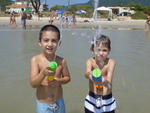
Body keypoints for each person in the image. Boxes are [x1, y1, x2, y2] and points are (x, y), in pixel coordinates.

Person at [30, 24, 71, 113]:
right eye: (46, 40)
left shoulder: (61, 61)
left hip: (59, 102)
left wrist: (59, 81)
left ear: (59, 43)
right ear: (40, 42)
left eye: (54, 41)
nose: (50, 44)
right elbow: (33, 84)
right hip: (43, 105)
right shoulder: (36, 60)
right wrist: (42, 74)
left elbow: (68, 78)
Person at [84, 35, 117, 113]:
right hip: (92, 98)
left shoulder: (111, 62)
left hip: (107, 99)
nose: (101, 53)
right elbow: (86, 74)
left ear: (109, 51)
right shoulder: (90, 61)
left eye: (104, 50)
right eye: (98, 50)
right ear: (93, 50)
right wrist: (92, 76)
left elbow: (109, 80)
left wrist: (103, 80)